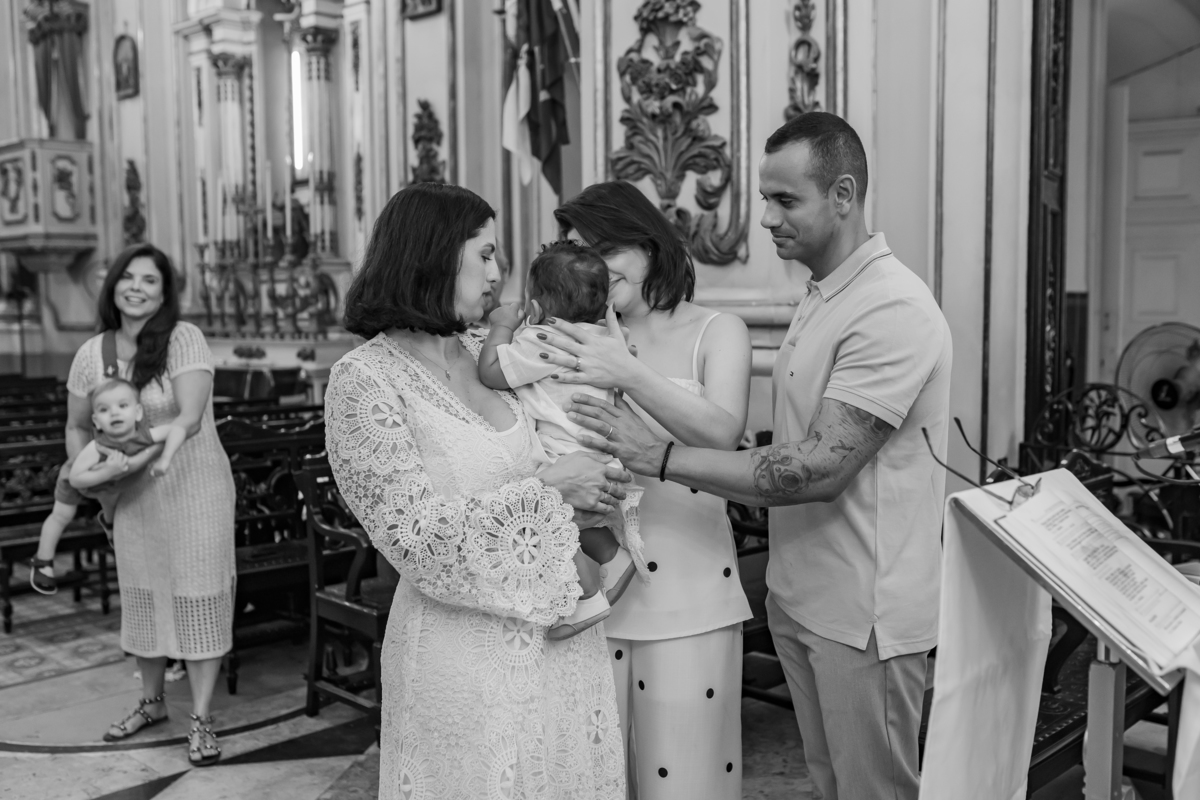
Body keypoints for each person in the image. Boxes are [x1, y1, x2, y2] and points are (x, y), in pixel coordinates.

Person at [561, 113, 953, 800]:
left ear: (843, 195)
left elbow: (818, 468)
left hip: (867, 613)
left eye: (785, 200)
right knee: (833, 786)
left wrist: (657, 455)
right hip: (803, 596)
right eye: (764, 198)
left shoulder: (891, 308)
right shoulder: (822, 295)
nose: (765, 218)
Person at [325, 182, 629, 800]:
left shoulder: (499, 355)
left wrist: (603, 477)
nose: (500, 272)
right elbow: (413, 539)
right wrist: (551, 491)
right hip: (462, 660)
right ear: (434, 254)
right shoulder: (364, 381)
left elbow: (566, 431)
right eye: (485, 255)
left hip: (562, 640)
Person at [532, 180, 754, 799]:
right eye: (575, 252)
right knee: (594, 781)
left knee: (687, 783)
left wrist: (625, 369)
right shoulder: (568, 334)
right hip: (587, 595)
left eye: (602, 249)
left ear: (648, 246)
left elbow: (723, 433)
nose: (590, 268)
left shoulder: (719, 330)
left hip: (690, 593)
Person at [66, 243, 236, 767]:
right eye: (128, 278)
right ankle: (152, 702)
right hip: (133, 497)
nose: (136, 288)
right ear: (113, 284)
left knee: (199, 595)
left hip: (194, 487)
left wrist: (155, 450)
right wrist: (93, 480)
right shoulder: (92, 353)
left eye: (150, 281)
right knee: (142, 597)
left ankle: (202, 718)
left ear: (164, 294)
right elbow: (76, 426)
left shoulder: (183, 339)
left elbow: (189, 414)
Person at [479, 240, 645, 640]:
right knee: (571, 517)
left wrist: (502, 325)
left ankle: (587, 593)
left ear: (535, 311)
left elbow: (491, 372)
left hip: (568, 453)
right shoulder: (609, 339)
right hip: (604, 451)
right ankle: (613, 557)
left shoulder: (543, 341)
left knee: (544, 508)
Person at [68, 378, 187, 499]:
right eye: (104, 409)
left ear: (138, 412)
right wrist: (107, 472)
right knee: (64, 514)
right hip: (94, 490)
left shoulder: (144, 435)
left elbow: (177, 429)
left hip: (118, 490)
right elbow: (74, 479)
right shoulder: (98, 446)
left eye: (123, 405)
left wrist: (165, 459)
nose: (114, 412)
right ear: (96, 421)